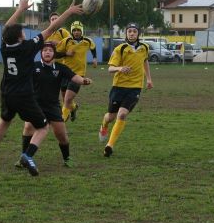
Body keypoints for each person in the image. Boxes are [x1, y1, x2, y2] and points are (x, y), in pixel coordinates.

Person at [0, 0, 84, 176]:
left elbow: (7, 28)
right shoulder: (28, 47)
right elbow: (53, 27)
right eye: (21, 31)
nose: (23, 31)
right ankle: (28, 155)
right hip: (24, 95)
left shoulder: (5, 47)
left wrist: (19, 10)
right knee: (43, 127)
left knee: (4, 121)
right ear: (20, 37)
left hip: (6, 92)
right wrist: (69, 12)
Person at [16, 42, 92, 169]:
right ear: (41, 53)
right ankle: (23, 158)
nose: (47, 52)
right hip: (35, 105)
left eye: (50, 51)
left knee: (61, 135)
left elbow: (74, 77)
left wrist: (83, 81)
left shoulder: (60, 68)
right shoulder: (33, 66)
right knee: (28, 127)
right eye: (44, 50)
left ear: (54, 54)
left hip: (52, 106)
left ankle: (67, 158)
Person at [100, 23, 153, 158]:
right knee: (110, 117)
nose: (132, 33)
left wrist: (148, 79)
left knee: (122, 114)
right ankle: (104, 124)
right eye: (129, 31)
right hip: (118, 87)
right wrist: (119, 68)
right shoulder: (120, 49)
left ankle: (109, 146)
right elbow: (110, 68)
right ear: (126, 34)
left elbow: (145, 62)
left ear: (138, 34)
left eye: (134, 31)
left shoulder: (144, 48)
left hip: (135, 87)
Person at [56, 20, 97, 121]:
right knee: (66, 98)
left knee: (67, 99)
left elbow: (93, 48)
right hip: (65, 73)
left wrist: (95, 58)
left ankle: (62, 120)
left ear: (82, 31)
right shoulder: (66, 41)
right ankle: (74, 108)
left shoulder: (87, 41)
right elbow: (55, 54)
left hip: (78, 75)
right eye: (74, 30)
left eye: (78, 30)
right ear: (72, 31)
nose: (76, 32)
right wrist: (66, 54)